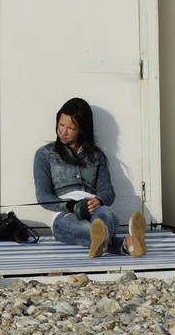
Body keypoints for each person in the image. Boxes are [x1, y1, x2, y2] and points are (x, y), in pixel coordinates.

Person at [33, 97, 147, 259]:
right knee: (86, 229)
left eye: (70, 128)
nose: (63, 132)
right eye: (61, 125)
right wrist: (70, 206)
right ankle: (127, 243)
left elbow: (107, 191)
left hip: (96, 210)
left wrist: (99, 201)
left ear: (82, 129)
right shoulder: (44, 154)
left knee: (106, 214)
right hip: (64, 214)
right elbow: (43, 196)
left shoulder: (96, 156)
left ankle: (111, 241)